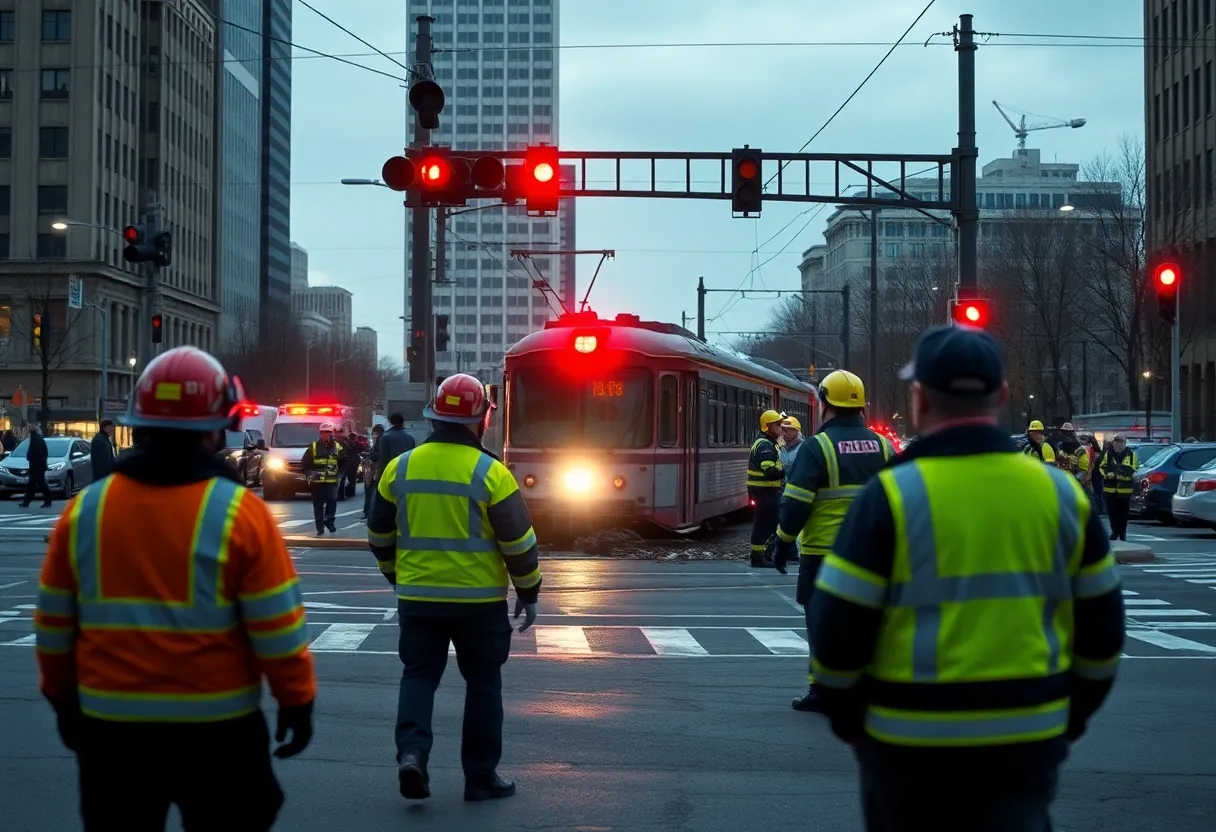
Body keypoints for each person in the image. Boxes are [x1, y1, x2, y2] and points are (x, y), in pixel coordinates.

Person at [806, 324, 1126, 832]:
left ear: (918, 400)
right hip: (1027, 735)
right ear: (1000, 396)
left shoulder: (889, 498)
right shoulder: (1062, 495)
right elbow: (1104, 634)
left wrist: (853, 722)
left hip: (907, 739)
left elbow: (836, 634)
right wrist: (1069, 719)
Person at [34, 346, 317, 831]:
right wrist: (297, 701)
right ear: (217, 424)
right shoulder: (239, 513)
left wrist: (62, 700)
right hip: (217, 732)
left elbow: (54, 625)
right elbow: (277, 629)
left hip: (111, 731)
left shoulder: (86, 510)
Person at [367, 373, 542, 804]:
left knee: (419, 677)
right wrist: (529, 591)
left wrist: (397, 577)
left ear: (433, 417)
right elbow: (519, 543)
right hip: (478, 604)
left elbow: (378, 534)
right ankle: (480, 778)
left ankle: (412, 755)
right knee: (483, 684)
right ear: (481, 419)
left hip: (418, 599)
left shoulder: (400, 467)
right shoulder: (491, 473)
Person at [773, 369, 893, 713]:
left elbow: (795, 503)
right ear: (861, 408)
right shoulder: (884, 446)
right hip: (873, 553)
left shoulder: (817, 447)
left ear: (824, 403)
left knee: (822, 622)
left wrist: (782, 542)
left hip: (824, 552)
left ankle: (823, 690)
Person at [747, 409, 787, 568]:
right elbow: (769, 471)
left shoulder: (767, 443)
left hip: (766, 492)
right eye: (777, 424)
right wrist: (785, 471)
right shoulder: (765, 445)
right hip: (765, 492)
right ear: (767, 426)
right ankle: (759, 557)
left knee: (766, 523)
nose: (780, 428)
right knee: (767, 523)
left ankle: (761, 556)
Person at [301, 422, 342, 536]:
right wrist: (308, 473)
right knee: (318, 505)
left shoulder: (338, 447)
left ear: (332, 433)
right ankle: (320, 528)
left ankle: (329, 521)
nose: (326, 435)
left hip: (331, 481)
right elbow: (304, 463)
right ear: (320, 433)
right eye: (324, 433)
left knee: (332, 501)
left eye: (328, 432)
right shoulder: (313, 447)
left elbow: (343, 461)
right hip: (317, 482)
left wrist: (340, 473)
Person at [1100, 433, 1137, 542]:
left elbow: (1134, 468)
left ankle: (1122, 533)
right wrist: (1107, 474)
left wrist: (1124, 473)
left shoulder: (1131, 454)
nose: (1117, 444)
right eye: (1116, 441)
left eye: (1120, 442)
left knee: (1123, 514)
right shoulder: (1108, 454)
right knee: (1112, 513)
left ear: (1124, 443)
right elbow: (1102, 467)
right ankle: (1115, 532)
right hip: (1110, 489)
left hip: (1124, 490)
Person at [20, 422, 52, 508]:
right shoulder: (36, 439)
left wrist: (31, 458)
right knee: (35, 484)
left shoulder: (36, 440)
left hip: (37, 466)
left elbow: (40, 453)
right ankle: (28, 502)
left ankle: (46, 501)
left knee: (37, 484)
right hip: (37, 466)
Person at [363, 424, 386, 519]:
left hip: (376, 471)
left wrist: (371, 456)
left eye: (377, 432)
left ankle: (369, 513)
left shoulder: (381, 441)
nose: (376, 434)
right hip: (374, 471)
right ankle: (368, 512)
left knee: (371, 492)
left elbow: (376, 455)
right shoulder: (378, 441)